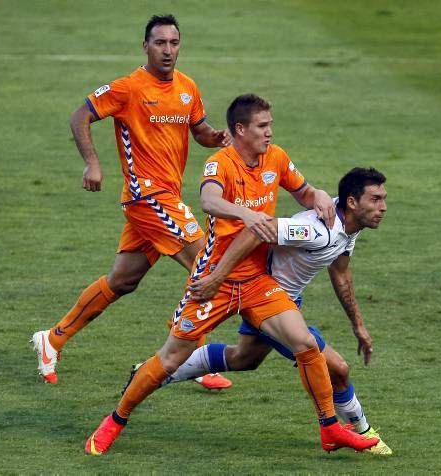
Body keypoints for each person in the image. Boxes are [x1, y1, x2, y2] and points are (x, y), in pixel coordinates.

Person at [84, 93, 379, 456]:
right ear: (240, 130)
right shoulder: (220, 163)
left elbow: (302, 192)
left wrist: (317, 193)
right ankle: (115, 420)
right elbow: (208, 200)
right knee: (171, 358)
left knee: (304, 344)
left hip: (257, 280)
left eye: (270, 125)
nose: (270, 133)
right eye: (262, 126)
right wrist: (244, 214)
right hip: (214, 279)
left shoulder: (277, 158)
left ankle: (330, 428)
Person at [30, 14, 231, 390]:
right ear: (146, 46)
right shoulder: (129, 88)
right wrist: (93, 163)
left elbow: (199, 130)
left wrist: (216, 137)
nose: (167, 50)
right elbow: (80, 116)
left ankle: (52, 338)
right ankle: (189, 358)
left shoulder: (187, 87)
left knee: (123, 280)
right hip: (146, 196)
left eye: (173, 43)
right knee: (207, 263)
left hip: (165, 198)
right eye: (160, 43)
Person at [157, 167, 392, 455]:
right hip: (267, 302)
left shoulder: (348, 225)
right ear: (353, 202)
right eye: (375, 199)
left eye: (383, 199)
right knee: (338, 368)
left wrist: (359, 325)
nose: (383, 207)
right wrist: (218, 277)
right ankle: (365, 433)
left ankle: (158, 372)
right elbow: (257, 231)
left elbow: (341, 272)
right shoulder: (316, 229)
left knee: (244, 358)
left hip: (286, 301)